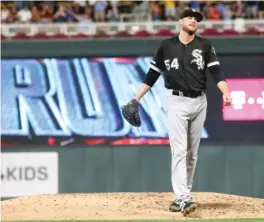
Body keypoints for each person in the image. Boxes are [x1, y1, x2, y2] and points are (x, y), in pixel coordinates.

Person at [122, 9, 232, 215]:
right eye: (190, 17)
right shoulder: (167, 46)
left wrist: (226, 92)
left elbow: (217, 72)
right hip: (176, 101)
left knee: (192, 155)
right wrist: (136, 98)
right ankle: (183, 198)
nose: (194, 21)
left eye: (197, 19)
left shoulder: (205, 45)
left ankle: (182, 197)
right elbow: (152, 75)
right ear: (181, 21)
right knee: (180, 150)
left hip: (200, 101)